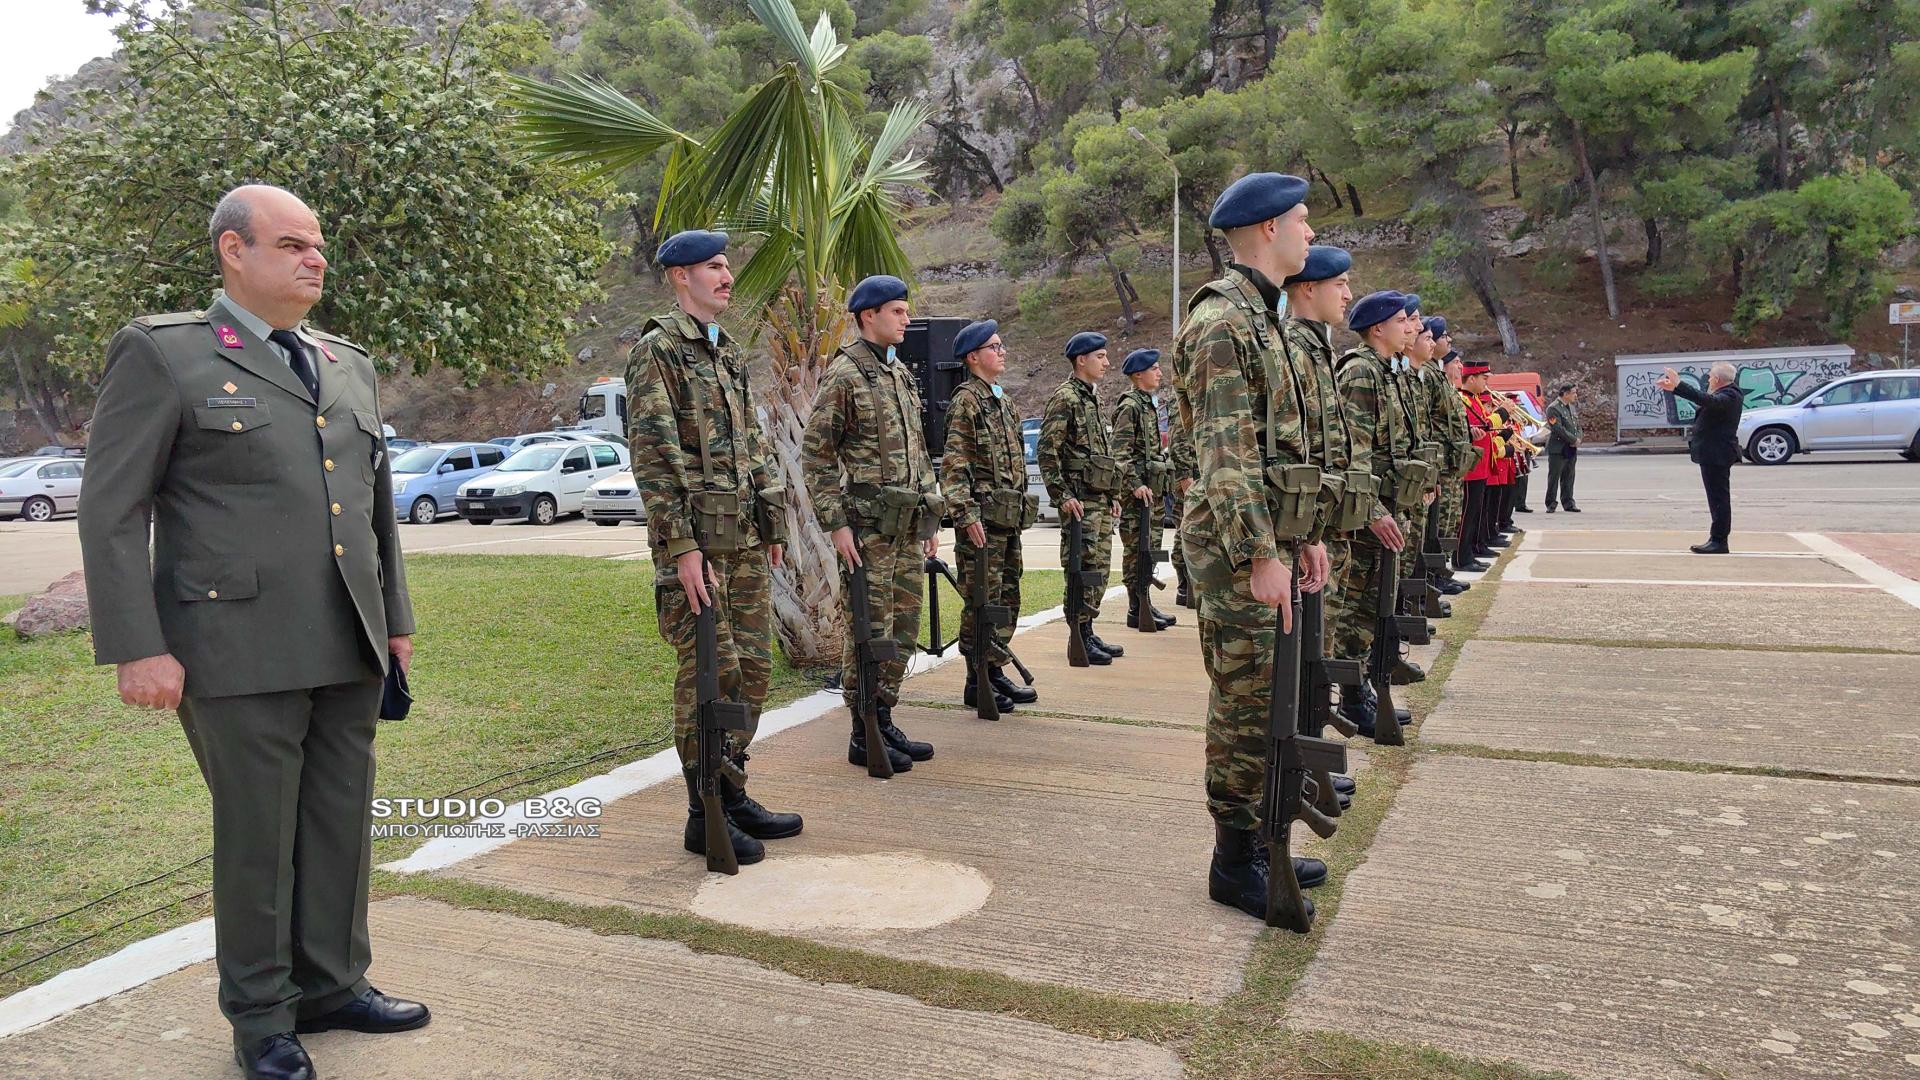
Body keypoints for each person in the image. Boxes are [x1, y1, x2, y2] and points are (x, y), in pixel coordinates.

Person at [79, 184, 427, 1080]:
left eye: (318, 244)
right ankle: (263, 1018)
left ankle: (334, 982)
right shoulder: (166, 355)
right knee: (258, 836)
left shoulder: (345, 362)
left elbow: (373, 509)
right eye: (291, 244)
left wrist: (395, 622)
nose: (315, 258)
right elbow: (113, 509)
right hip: (234, 649)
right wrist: (137, 644)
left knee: (340, 823)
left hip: (346, 638)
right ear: (234, 251)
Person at [1170, 171, 1334, 920]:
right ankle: (1233, 861)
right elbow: (1226, 455)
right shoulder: (1223, 322)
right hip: (1237, 547)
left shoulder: (1262, 315)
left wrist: (1301, 537)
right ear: (1267, 228)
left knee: (1274, 696)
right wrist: (1260, 552)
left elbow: (1277, 450)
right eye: (1301, 220)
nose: (1310, 232)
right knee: (1245, 700)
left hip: (1268, 537)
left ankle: (1262, 840)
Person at [625, 229, 802, 866]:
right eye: (713, 267)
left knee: (752, 671)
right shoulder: (659, 352)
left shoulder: (725, 355)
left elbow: (753, 447)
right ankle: (704, 812)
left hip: (745, 541)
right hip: (698, 545)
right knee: (710, 673)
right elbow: (654, 457)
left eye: (728, 266)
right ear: (680, 277)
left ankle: (732, 787)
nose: (727, 276)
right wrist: (681, 545)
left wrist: (773, 521)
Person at [802, 274, 942, 771]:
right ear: (868, 317)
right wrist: (836, 524)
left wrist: (928, 519)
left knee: (902, 630)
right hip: (867, 532)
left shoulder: (898, 372)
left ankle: (883, 718)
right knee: (868, 630)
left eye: (906, 311)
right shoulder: (846, 374)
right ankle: (862, 730)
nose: (906, 319)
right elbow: (815, 455)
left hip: (906, 528)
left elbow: (920, 453)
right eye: (897, 312)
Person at [1330, 290, 1420, 733]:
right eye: (1402, 320)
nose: (1410, 327)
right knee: (1357, 609)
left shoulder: (1384, 372)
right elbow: (1352, 453)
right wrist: (1371, 510)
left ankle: (1361, 686)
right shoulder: (1361, 373)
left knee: (1372, 605)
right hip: (1367, 514)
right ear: (1378, 328)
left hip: (1385, 506)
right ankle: (1351, 696)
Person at [940, 318, 1037, 713]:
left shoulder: (1002, 400)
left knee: (1007, 596)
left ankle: (995, 668)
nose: (1002, 352)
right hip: (982, 523)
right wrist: (964, 514)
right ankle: (976, 676)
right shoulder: (967, 401)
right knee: (981, 600)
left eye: (1001, 345)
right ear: (974, 356)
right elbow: (955, 463)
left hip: (1007, 519)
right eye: (995, 347)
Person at [1038, 331, 1127, 662]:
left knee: (1099, 568)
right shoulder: (1066, 399)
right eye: (1100, 357)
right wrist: (1061, 495)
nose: (1107, 363)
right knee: (1081, 567)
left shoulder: (1093, 398)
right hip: (1078, 501)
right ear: (1081, 360)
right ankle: (1078, 634)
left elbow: (1102, 452)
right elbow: (1048, 452)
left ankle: (1088, 629)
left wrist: (1113, 492)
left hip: (1099, 499)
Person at [1113, 347, 1177, 631]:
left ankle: (1145, 602)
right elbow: (1120, 453)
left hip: (1152, 494)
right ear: (1138, 375)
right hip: (1136, 496)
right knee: (1135, 551)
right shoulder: (1130, 406)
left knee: (1149, 550)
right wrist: (1134, 484)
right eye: (1154, 369)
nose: (1160, 373)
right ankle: (1135, 606)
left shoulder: (1147, 404)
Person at [1657, 362, 1743, 553]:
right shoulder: (1727, 393)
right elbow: (1705, 400)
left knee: (1719, 498)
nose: (1709, 379)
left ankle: (1719, 540)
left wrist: (1680, 385)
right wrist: (1675, 389)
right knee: (1716, 498)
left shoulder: (1730, 395)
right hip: (1713, 453)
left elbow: (1707, 400)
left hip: (1718, 454)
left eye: (1711, 376)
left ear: (1718, 379)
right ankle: (1717, 539)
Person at [1455, 360, 1497, 570]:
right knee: (1467, 514)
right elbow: (1482, 425)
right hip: (1471, 467)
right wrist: (1503, 414)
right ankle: (1462, 557)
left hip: (1479, 466)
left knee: (1474, 513)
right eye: (1484, 378)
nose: (1486, 383)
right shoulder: (1464, 400)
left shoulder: (1475, 400)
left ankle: (1469, 552)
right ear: (1471, 378)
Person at [1544, 382, 1583, 513]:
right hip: (1558, 448)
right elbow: (1557, 428)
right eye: (1573, 393)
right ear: (1565, 394)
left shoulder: (1571, 408)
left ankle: (1568, 502)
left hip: (1571, 448)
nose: (1575, 395)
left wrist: (1578, 438)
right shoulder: (1553, 408)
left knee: (1569, 476)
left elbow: (1577, 426)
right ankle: (1551, 503)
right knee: (1554, 476)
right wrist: (1573, 439)